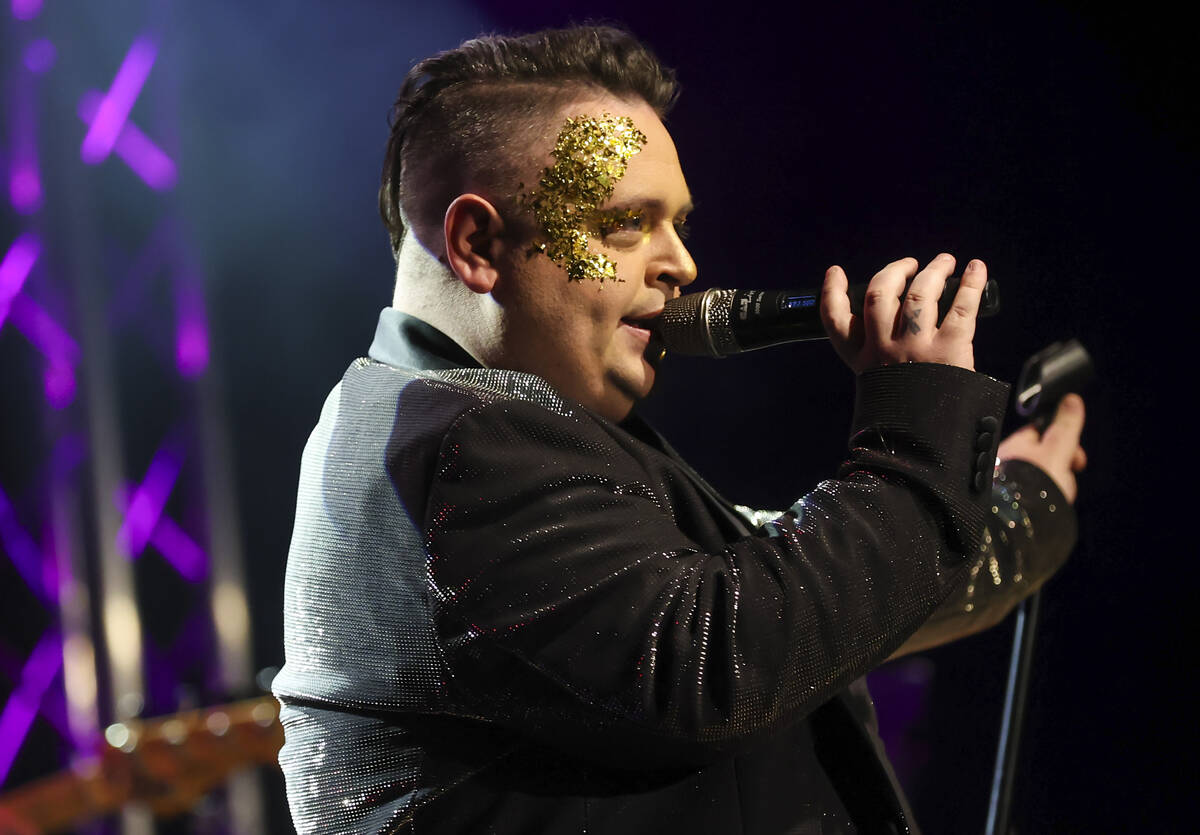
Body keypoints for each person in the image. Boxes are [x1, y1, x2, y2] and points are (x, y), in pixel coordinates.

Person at [272, 25, 1085, 834]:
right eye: (627, 222)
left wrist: (1017, 502)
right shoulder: (454, 442)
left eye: (680, 225)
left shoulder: (471, 433)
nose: (682, 265)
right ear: (478, 244)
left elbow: (814, 596)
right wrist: (916, 436)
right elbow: (717, 657)